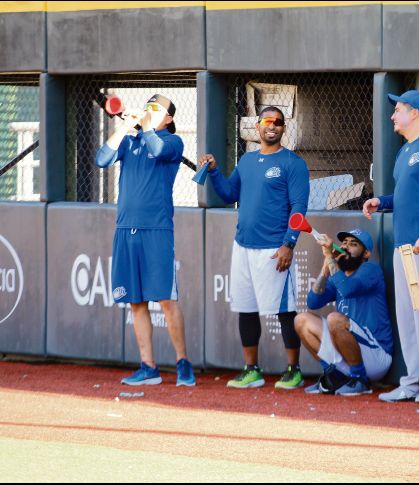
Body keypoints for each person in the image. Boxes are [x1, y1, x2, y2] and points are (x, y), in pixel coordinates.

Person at [197, 106, 309, 390]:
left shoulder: (293, 163)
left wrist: (289, 244)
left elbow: (299, 208)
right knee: (245, 308)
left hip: (274, 249)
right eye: (267, 121)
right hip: (243, 247)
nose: (272, 126)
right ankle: (252, 370)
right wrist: (213, 172)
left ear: (284, 128)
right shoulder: (246, 161)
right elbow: (228, 194)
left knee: (284, 310)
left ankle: (293, 370)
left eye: (278, 122)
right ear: (257, 126)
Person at [362, 90, 419, 404]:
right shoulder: (405, 152)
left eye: (398, 109)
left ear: (414, 112)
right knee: (408, 317)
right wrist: (382, 202)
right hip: (405, 247)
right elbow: (409, 196)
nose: (393, 115)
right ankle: (413, 382)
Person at [95, 94, 195, 387]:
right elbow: (102, 159)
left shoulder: (172, 142)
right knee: (135, 302)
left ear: (169, 118)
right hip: (126, 229)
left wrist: (145, 126)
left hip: (157, 230)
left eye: (156, 109)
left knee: (166, 299)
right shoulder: (130, 140)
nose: (149, 112)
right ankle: (148, 366)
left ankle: (183, 363)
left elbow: (159, 147)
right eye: (148, 107)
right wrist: (126, 127)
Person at [294, 229, 393, 396]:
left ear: (366, 253)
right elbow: (312, 302)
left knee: (335, 319)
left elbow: (347, 289)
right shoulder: (338, 275)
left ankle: (360, 380)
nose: (346, 247)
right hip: (350, 352)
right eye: (344, 243)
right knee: (301, 320)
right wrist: (325, 270)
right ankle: (334, 375)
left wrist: (331, 260)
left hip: (376, 356)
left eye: (353, 245)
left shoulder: (371, 270)